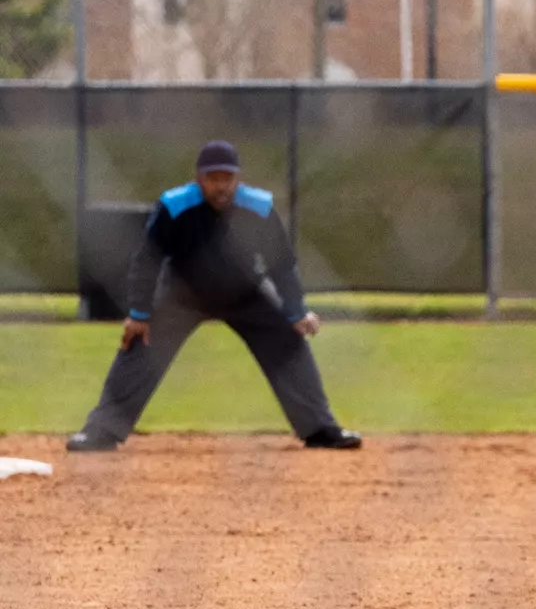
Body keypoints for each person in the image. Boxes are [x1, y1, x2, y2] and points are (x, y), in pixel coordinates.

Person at [66, 141, 361, 453]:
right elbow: (147, 259)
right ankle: (101, 431)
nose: (221, 186)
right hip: (182, 294)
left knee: (289, 340)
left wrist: (296, 312)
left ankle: (320, 429)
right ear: (198, 179)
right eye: (213, 178)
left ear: (238, 179)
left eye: (227, 178)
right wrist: (139, 314)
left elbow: (282, 265)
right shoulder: (174, 206)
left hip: (246, 293)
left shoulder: (258, 208)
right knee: (141, 343)